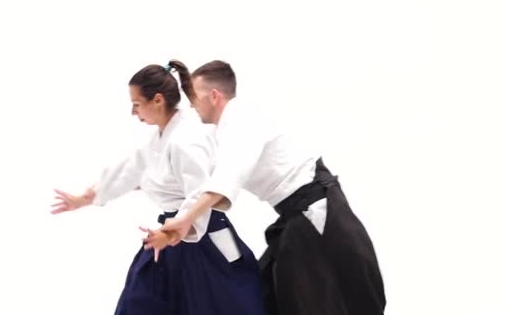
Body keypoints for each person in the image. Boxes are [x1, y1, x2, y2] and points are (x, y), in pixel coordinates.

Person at [145, 60, 386, 315]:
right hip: (296, 218)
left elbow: (226, 178)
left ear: (214, 96)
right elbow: (201, 173)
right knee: (266, 295)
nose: (192, 105)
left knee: (319, 299)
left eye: (194, 97)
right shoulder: (224, 131)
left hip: (316, 211)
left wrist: (185, 219)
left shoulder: (240, 121)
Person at [51, 60, 265, 315]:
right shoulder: (159, 139)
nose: (133, 112)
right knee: (141, 301)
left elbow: (199, 193)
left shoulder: (187, 139)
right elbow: (130, 171)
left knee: (221, 303)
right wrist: (86, 197)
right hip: (169, 234)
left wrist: (173, 232)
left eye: (136, 104)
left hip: (201, 234)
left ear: (158, 100)